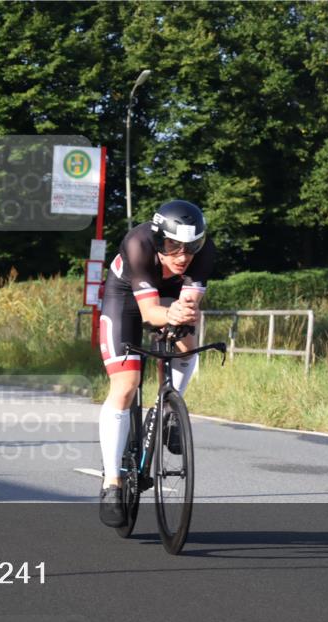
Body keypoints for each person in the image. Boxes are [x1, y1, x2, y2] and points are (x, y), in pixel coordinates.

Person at [96, 200, 216, 527]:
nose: (182, 256)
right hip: (126, 299)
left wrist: (183, 315)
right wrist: (171, 314)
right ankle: (111, 483)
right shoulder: (138, 243)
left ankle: (168, 410)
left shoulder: (204, 253)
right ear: (158, 238)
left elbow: (189, 305)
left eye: (191, 248)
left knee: (187, 348)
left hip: (168, 296)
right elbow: (150, 314)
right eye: (172, 246)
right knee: (126, 384)